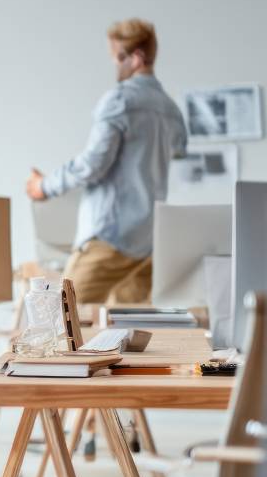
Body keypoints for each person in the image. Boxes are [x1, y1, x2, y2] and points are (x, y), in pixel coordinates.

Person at [25, 19, 187, 304]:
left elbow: (93, 164)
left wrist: (44, 185)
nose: (115, 65)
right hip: (148, 242)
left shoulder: (120, 100)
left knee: (64, 316)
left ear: (136, 57)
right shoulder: (171, 110)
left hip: (110, 236)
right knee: (127, 327)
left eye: (118, 58)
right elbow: (177, 153)